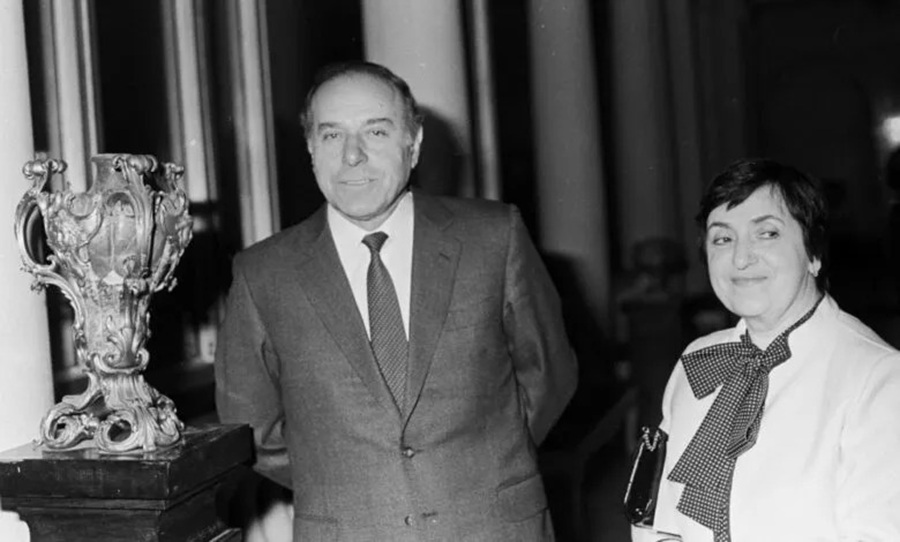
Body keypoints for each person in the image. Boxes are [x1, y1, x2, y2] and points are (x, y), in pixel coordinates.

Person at [215, 60, 578, 541]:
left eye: (376, 132)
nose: (352, 156)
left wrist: (486, 461)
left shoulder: (493, 237)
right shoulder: (263, 273)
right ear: (310, 148)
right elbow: (250, 427)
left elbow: (549, 374)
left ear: (414, 143)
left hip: (492, 525)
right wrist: (353, 482)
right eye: (331, 135)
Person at [632, 158, 900, 541]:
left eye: (767, 234)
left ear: (814, 254)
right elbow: (656, 514)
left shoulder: (879, 378)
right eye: (722, 239)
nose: (741, 258)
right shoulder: (697, 360)